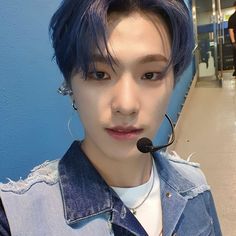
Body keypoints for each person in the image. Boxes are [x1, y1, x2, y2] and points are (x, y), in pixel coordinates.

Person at [0, 0, 222, 235]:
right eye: (99, 74)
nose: (126, 106)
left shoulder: (194, 187)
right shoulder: (17, 220)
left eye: (150, 74)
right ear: (70, 85)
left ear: (173, 81)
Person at [228, 1, 236, 76]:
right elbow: (231, 31)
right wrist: (233, 42)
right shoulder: (232, 18)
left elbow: (231, 31)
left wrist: (233, 42)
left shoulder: (232, 17)